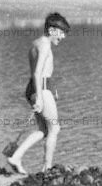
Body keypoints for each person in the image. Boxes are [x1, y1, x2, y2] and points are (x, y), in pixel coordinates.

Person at [7, 13, 70, 174]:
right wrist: (41, 97)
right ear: (51, 30)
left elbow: (42, 73)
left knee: (43, 129)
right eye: (61, 33)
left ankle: (16, 156)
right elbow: (37, 73)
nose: (62, 37)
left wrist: (49, 91)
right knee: (55, 129)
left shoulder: (35, 43)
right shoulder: (45, 45)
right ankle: (47, 168)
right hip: (40, 89)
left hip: (35, 89)